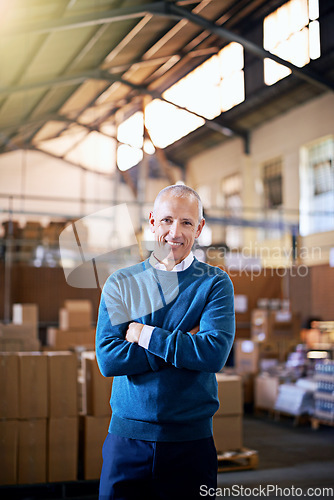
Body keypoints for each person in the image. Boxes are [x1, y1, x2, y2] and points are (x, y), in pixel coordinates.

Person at [96, 184, 235, 500]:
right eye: (167, 220)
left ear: (199, 228)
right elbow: (109, 358)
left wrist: (144, 335)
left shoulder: (215, 284)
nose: (176, 232)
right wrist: (185, 345)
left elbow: (213, 354)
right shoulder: (122, 283)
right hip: (127, 440)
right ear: (152, 222)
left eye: (187, 222)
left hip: (190, 443)